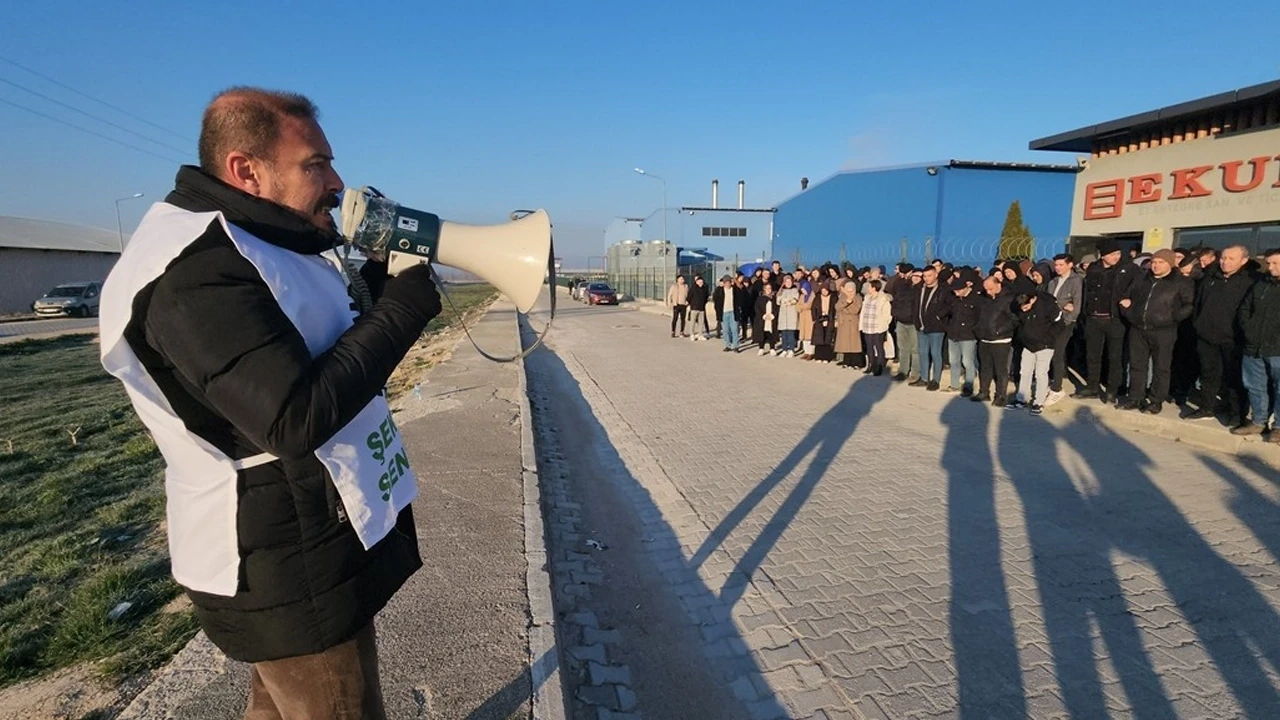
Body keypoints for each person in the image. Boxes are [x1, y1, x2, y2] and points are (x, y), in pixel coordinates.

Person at [98, 88, 443, 718]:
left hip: (306, 536)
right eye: (316, 164)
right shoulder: (193, 271)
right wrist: (404, 305)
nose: (338, 183)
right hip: (283, 557)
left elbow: (310, 334)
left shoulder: (254, 240)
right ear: (245, 170)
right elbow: (290, 417)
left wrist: (378, 283)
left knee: (278, 705)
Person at [1118, 249, 1195, 415]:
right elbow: (1125, 298)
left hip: (1164, 331)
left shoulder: (1181, 282)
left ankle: (1155, 400)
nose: (1156, 266)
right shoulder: (1141, 278)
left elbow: (1188, 305)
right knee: (1137, 365)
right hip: (1138, 328)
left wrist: (1172, 318)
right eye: (1154, 262)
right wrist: (1129, 313)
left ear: (1170, 263)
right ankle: (1135, 397)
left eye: (1161, 262)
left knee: (1161, 368)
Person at [1186, 245, 1255, 422]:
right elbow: (1198, 304)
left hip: (1233, 339)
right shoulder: (1210, 278)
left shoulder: (1249, 282)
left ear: (1243, 260)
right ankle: (1207, 407)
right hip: (1207, 337)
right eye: (1223, 258)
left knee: (1234, 378)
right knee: (1208, 375)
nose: (1225, 262)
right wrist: (1198, 324)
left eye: (1231, 259)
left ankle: (1236, 414)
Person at [1075, 237, 1139, 403]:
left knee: (1115, 357)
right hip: (1093, 319)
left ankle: (1112, 390)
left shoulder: (1129, 268)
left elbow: (1137, 288)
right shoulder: (1094, 268)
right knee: (1093, 356)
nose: (1116, 257)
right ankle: (1092, 387)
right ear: (1103, 255)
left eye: (1118, 253)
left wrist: (1128, 302)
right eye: (1112, 254)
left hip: (1115, 319)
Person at [1234, 248, 1280, 439]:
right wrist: (1249, 329)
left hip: (1277, 348)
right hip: (1253, 346)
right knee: (1254, 385)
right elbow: (1245, 309)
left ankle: (1278, 426)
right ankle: (1258, 422)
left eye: (1276, 263)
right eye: (1269, 263)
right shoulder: (1261, 284)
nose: (1271, 267)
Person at [1012, 282, 1063, 415]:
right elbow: (1018, 321)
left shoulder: (1048, 305)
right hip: (1028, 344)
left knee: (1041, 373)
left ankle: (1038, 402)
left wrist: (1047, 338)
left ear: (1033, 299)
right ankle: (1021, 399)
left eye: (1026, 305)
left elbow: (1059, 323)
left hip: (1045, 344)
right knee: (1025, 371)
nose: (1024, 308)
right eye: (1021, 306)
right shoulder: (1019, 304)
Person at [1042, 253, 1084, 405]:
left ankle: (1057, 388)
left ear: (1070, 265)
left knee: (1058, 353)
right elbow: (1048, 302)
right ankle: (1052, 382)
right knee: (1050, 353)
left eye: (1061, 265)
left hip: (1065, 323)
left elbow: (1076, 306)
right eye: (1056, 265)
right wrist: (1061, 306)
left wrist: (1066, 319)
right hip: (1051, 322)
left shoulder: (1076, 281)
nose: (1058, 268)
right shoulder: (1053, 281)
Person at [974, 274, 1016, 406]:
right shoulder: (984, 299)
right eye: (986, 289)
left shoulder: (1009, 299)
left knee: (1001, 369)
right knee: (985, 367)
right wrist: (978, 329)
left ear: (999, 285)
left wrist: (1000, 330)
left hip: (1001, 340)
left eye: (991, 289)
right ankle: (984, 392)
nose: (988, 292)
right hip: (984, 338)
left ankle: (1001, 395)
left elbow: (1014, 319)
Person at [913, 265, 951, 391]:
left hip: (936, 327)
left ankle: (936, 380)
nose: (927, 278)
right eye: (924, 276)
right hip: (921, 325)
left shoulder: (943, 289)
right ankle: (924, 378)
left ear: (936, 275)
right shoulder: (919, 288)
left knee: (935, 353)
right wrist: (916, 320)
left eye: (929, 275)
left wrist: (939, 316)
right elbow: (915, 305)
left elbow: (949, 306)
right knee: (922, 352)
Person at [945, 273, 980, 395]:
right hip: (953, 334)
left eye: (958, 290)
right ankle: (954, 385)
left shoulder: (976, 299)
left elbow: (979, 318)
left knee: (967, 361)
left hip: (968, 336)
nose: (956, 293)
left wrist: (974, 330)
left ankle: (968, 386)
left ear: (966, 288)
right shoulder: (954, 299)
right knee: (953, 361)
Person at [889, 263, 920, 382]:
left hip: (913, 322)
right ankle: (903, 371)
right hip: (901, 320)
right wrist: (895, 313)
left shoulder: (919, 287)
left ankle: (915, 373)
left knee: (915, 350)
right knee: (903, 348)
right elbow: (895, 299)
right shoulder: (899, 284)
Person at [860, 279, 892, 375]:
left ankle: (879, 366)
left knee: (879, 346)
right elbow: (863, 311)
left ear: (874, 288)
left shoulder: (883, 298)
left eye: (869, 286)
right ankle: (870, 365)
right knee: (869, 347)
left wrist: (885, 324)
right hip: (867, 325)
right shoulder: (867, 297)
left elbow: (887, 313)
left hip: (878, 326)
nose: (867, 288)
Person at [834, 278, 864, 368]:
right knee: (845, 343)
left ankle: (856, 363)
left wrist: (845, 309)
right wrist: (846, 302)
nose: (850, 293)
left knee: (855, 344)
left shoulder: (858, 297)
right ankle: (847, 361)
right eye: (848, 291)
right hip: (844, 323)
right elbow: (837, 307)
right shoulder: (842, 297)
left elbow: (855, 310)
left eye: (852, 291)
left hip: (854, 322)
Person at [811, 282, 837, 363]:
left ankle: (826, 357)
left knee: (828, 339)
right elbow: (813, 308)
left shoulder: (833, 298)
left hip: (830, 319)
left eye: (825, 290)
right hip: (819, 320)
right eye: (822, 290)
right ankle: (818, 356)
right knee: (819, 339)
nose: (824, 292)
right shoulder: (817, 298)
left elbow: (836, 309)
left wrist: (835, 319)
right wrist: (815, 319)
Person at [713, 275, 740, 352]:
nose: (728, 284)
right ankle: (727, 345)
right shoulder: (719, 291)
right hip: (724, 313)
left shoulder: (735, 290)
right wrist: (718, 312)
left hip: (733, 312)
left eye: (729, 282)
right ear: (724, 283)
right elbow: (716, 301)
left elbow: (740, 298)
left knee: (734, 330)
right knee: (725, 330)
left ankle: (736, 346)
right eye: (726, 282)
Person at [776, 274, 800, 357]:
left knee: (791, 333)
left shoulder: (795, 290)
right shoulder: (781, 290)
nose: (788, 283)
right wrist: (782, 300)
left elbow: (795, 299)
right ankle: (784, 349)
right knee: (784, 334)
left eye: (790, 281)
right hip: (783, 314)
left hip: (791, 314)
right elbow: (778, 300)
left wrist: (788, 301)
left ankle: (791, 350)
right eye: (786, 281)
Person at [754, 282, 780, 355]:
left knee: (771, 334)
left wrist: (773, 315)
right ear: (764, 289)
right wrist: (763, 315)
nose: (768, 290)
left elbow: (777, 308)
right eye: (767, 288)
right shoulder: (760, 298)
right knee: (762, 334)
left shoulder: (774, 298)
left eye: (770, 288)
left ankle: (772, 348)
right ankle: (761, 348)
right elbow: (757, 308)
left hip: (772, 319)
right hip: (762, 319)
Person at [686, 275, 710, 341]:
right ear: (696, 282)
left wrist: (704, 303)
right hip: (694, 308)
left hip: (702, 308)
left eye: (702, 281)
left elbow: (706, 297)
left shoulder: (704, 289)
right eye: (699, 281)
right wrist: (691, 304)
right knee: (692, 322)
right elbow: (689, 297)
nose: (701, 283)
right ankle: (692, 334)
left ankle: (700, 335)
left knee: (701, 322)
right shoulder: (693, 288)